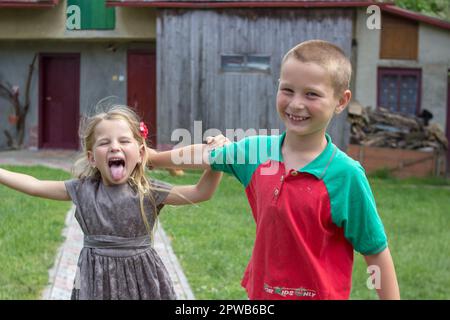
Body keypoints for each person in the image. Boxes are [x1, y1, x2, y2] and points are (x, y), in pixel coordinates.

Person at [148, 40, 400, 300]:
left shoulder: (346, 175)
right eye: (287, 90)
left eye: (311, 94)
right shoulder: (256, 152)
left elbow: (376, 252)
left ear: (341, 101)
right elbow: (207, 155)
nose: (296, 103)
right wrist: (153, 159)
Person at [0, 105, 222, 300]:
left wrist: (219, 160)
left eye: (124, 141)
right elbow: (35, 185)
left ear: (140, 152)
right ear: (91, 157)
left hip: (143, 279)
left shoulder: (148, 191)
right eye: (104, 143)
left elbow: (200, 192)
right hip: (96, 281)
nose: (115, 147)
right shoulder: (83, 189)